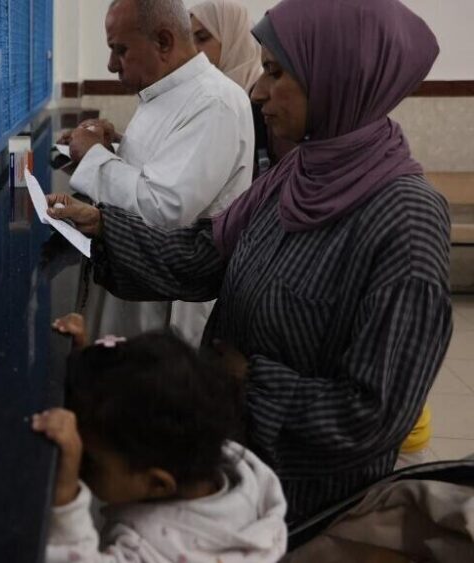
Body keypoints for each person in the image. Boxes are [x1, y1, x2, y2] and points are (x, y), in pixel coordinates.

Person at [46, 0, 450, 522]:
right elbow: (206, 256)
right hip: (229, 467)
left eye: (277, 72)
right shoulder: (296, 173)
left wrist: (249, 381)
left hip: (302, 503)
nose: (257, 90)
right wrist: (103, 228)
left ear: (340, 78)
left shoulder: (406, 221)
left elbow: (374, 416)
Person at [60, 0, 255, 349]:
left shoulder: (214, 102)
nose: (110, 64)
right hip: (133, 274)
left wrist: (92, 156)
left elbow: (162, 209)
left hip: (168, 298)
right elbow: (156, 170)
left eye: (120, 50)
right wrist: (110, 147)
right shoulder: (167, 90)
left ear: (164, 42)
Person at [33, 333, 287, 562]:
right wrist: (88, 370)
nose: (80, 466)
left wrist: (66, 498)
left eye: (89, 461)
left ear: (157, 484)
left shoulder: (158, 551)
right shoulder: (221, 462)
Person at [189, 0, 285, 177]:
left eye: (202, 38)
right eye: (189, 39)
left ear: (232, 36)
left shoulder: (264, 94)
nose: (193, 49)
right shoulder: (200, 94)